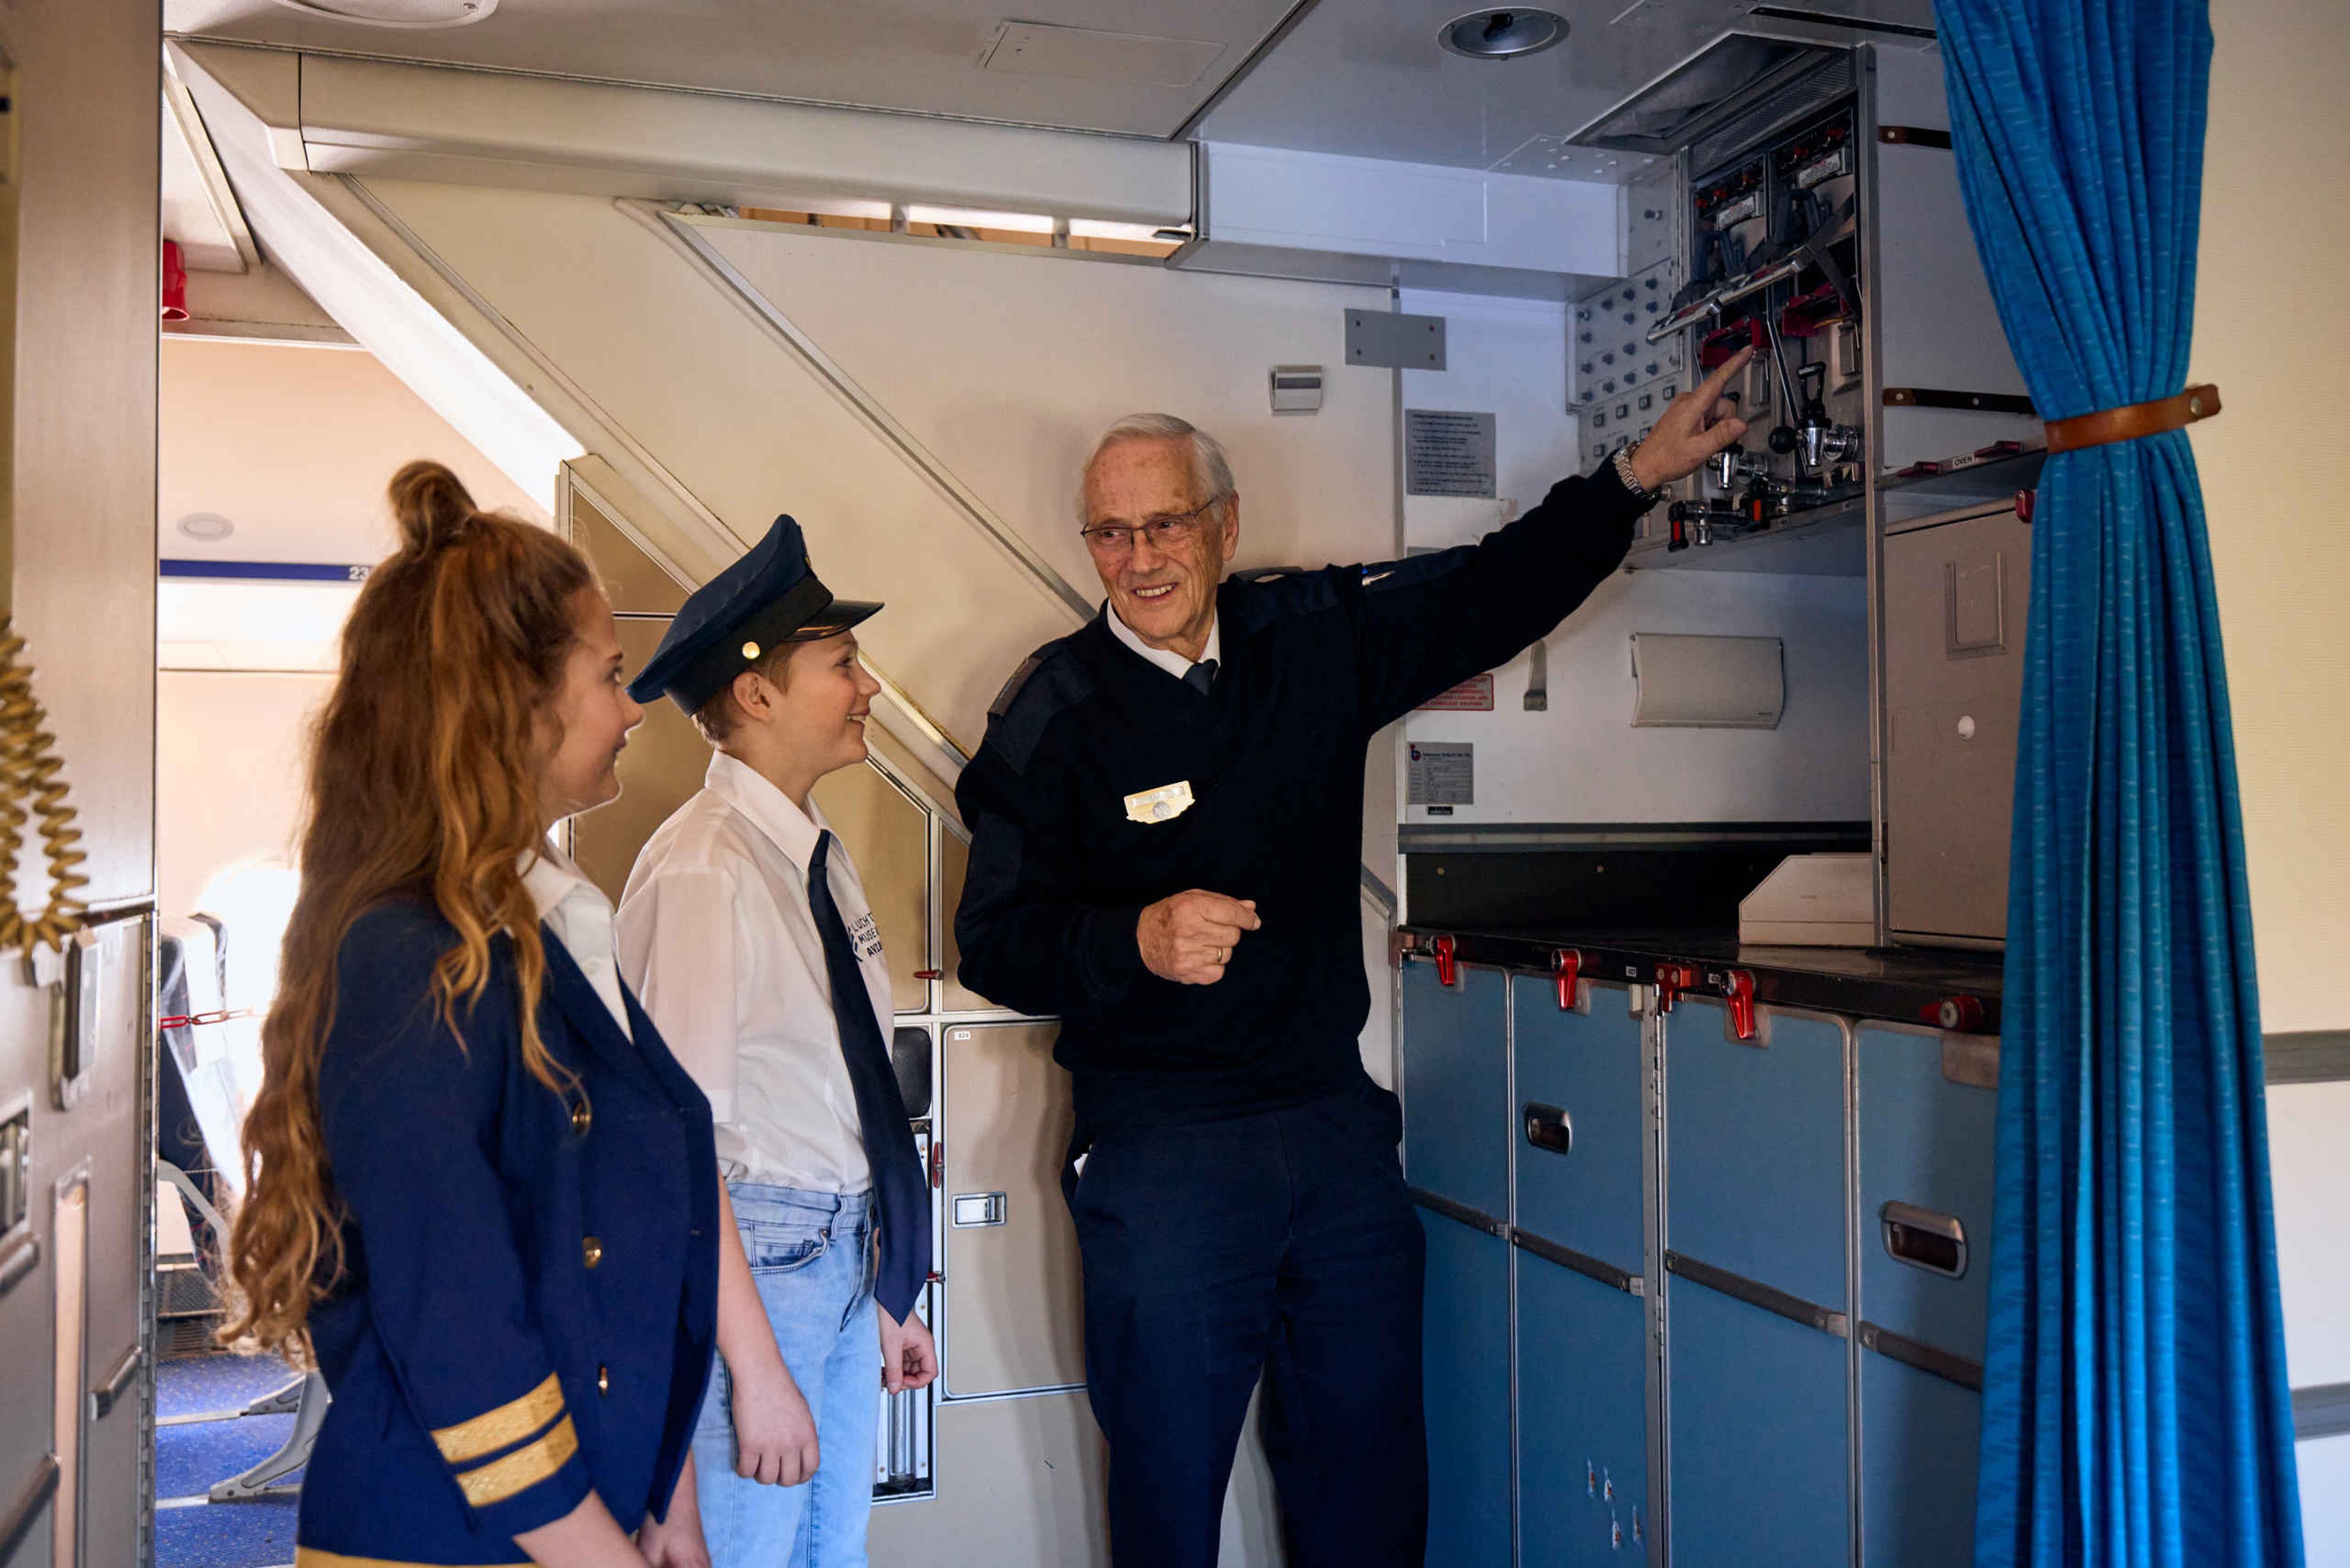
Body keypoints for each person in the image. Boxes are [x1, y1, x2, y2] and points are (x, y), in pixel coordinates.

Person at [951, 350, 1754, 1567]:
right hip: (1162, 1151)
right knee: (1167, 1502)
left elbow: (1491, 591)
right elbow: (993, 943)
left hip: (1331, 1137)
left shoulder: (1310, 634)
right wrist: (1135, 940)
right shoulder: (1050, 718)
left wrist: (1634, 475)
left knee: (1368, 1486)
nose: (1141, 557)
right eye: (1109, 535)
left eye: (1165, 522)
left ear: (1224, 525)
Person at [223, 460, 720, 1568]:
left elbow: (631, 1251)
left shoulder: (531, 920)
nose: (633, 708)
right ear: (514, 700)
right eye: (611, 675)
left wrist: (668, 1497)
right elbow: (461, 1325)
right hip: (459, 1536)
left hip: (580, 1516)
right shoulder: (410, 954)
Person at [616, 515, 939, 1568]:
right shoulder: (708, 870)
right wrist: (753, 1370)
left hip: (838, 1257)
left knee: (824, 1555)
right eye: (843, 664)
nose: (869, 688)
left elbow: (847, 1095)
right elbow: (676, 1152)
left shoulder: (812, 855)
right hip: (755, 1261)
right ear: (756, 693)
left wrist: (889, 1290)